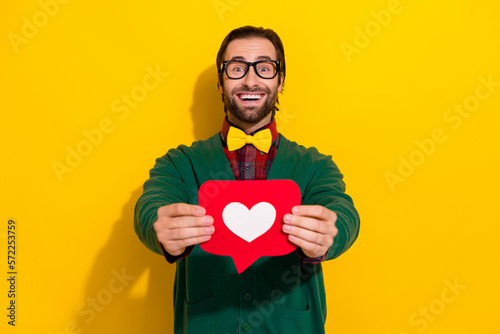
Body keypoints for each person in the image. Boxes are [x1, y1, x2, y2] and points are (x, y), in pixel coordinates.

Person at [134, 25, 360, 334]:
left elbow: (342, 212)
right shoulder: (180, 163)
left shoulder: (315, 166)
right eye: (237, 68)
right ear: (220, 81)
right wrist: (157, 228)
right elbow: (150, 207)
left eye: (264, 69)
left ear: (280, 81)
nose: (250, 80)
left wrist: (332, 232)